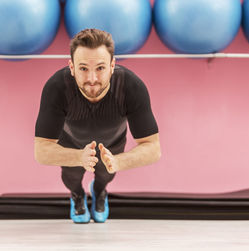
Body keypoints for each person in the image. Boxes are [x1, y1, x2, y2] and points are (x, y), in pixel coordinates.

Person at [34, 28, 161, 224]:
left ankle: (100, 191)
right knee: (71, 178)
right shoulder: (56, 87)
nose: (92, 79)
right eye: (83, 68)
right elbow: (41, 150)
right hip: (71, 144)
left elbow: (153, 148)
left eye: (100, 68)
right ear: (72, 67)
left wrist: (118, 162)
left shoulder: (131, 86)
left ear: (112, 66)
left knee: (106, 175)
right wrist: (78, 157)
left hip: (113, 143)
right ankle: (77, 195)